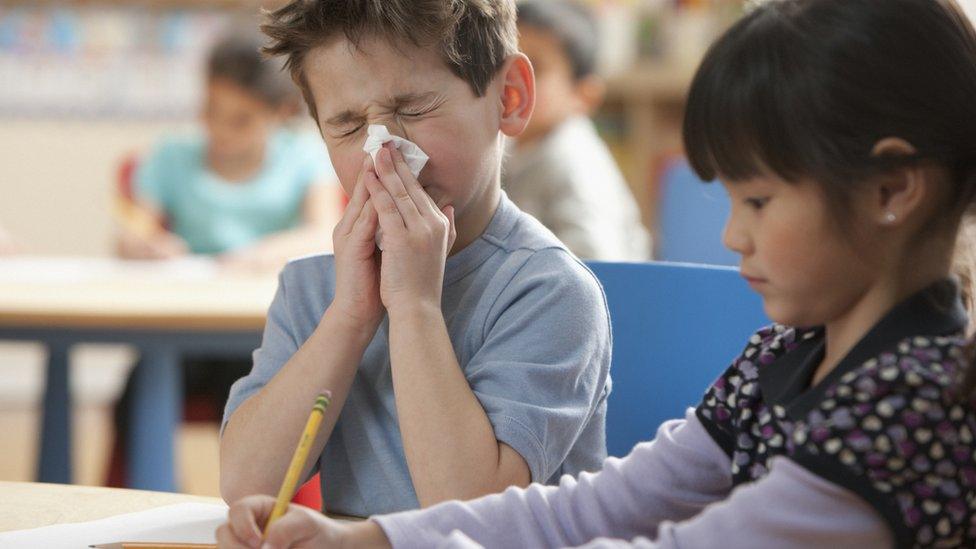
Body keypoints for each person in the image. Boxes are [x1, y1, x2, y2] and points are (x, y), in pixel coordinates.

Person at [218, 0, 976, 546]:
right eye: (349, 126)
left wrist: (411, 306)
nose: (731, 233)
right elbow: (606, 503)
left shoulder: (910, 401)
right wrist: (376, 536)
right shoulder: (786, 355)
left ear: (891, 190)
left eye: (758, 199)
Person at [218, 0, 612, 519]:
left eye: (412, 109)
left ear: (509, 98)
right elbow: (246, 483)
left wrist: (413, 306)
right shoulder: (315, 289)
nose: (384, 152)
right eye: (348, 124)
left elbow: (470, 515)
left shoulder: (550, 292)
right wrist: (351, 317)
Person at [109, 30, 342, 487]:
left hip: (263, 338)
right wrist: (144, 244)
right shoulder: (173, 156)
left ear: (280, 114)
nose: (221, 131)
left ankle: (264, 507)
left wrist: (257, 253)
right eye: (211, 113)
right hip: (179, 332)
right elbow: (132, 231)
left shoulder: (303, 157)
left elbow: (324, 233)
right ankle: (153, 508)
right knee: (134, 402)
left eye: (241, 120)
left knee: (265, 410)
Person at [503, 0, 650, 261]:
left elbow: (599, 264)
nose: (511, 79)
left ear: (583, 96)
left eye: (535, 68)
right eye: (504, 61)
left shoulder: (575, 162)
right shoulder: (512, 146)